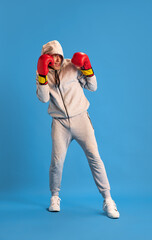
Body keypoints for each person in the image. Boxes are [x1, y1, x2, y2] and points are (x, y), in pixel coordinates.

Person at [36, 40, 120, 219]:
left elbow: (93, 87)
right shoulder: (42, 72)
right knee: (57, 161)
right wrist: (42, 75)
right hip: (59, 123)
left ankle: (108, 200)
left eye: (59, 56)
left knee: (95, 157)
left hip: (81, 118)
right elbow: (43, 99)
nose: (57, 60)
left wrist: (88, 68)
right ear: (46, 59)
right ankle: (54, 197)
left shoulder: (72, 66)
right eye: (52, 57)